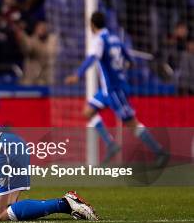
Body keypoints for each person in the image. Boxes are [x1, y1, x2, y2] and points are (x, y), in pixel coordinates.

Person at [65, 11, 169, 167]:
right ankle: (111, 144)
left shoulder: (99, 40)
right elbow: (130, 59)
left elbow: (92, 57)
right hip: (107, 89)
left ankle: (159, 151)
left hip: (114, 89)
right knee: (88, 111)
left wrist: (78, 74)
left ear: (92, 25)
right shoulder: (115, 39)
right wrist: (124, 65)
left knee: (131, 123)